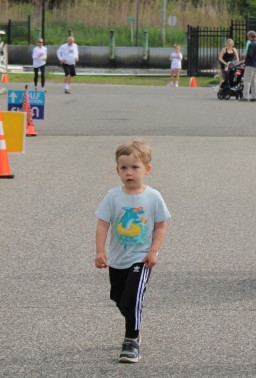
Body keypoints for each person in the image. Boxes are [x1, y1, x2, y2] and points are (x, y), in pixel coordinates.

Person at [94, 139, 171, 364]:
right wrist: (100, 251)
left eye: (135, 167)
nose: (129, 172)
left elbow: (161, 226)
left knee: (133, 297)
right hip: (118, 259)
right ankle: (133, 321)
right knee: (119, 298)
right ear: (117, 170)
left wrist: (154, 251)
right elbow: (102, 224)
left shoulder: (153, 197)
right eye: (124, 168)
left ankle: (131, 340)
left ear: (147, 169)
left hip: (141, 258)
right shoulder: (113, 196)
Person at [242, 30, 256, 101]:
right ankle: (255, 97)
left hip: (250, 64)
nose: (248, 38)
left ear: (250, 36)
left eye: (248, 36)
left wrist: (245, 55)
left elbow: (250, 55)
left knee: (247, 81)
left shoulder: (251, 44)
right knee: (254, 81)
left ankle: (245, 97)